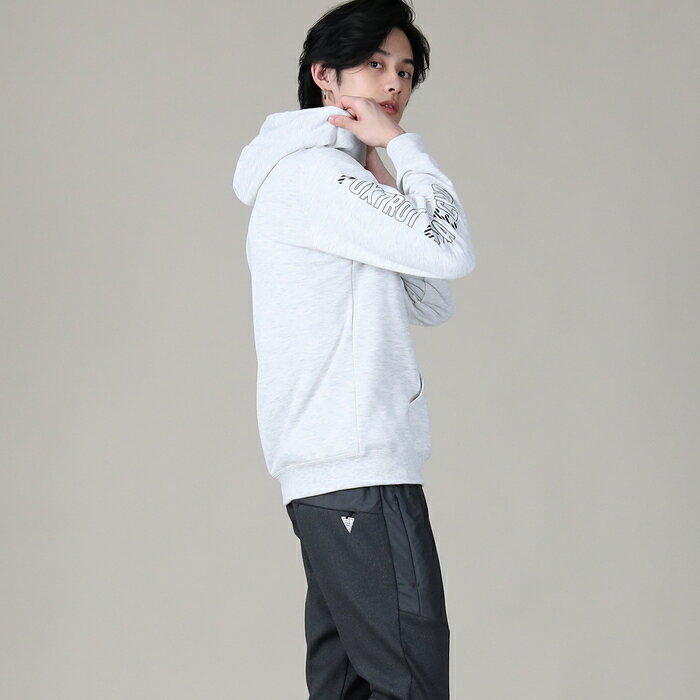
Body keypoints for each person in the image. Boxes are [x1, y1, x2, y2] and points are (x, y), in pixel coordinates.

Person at [232, 1, 476, 696]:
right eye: (374, 64)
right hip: (359, 467)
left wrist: (388, 185)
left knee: (347, 688)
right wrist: (406, 150)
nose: (393, 82)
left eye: (405, 70)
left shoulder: (343, 185)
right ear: (324, 76)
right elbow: (452, 251)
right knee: (411, 682)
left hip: (335, 470)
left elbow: (430, 300)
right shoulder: (318, 178)